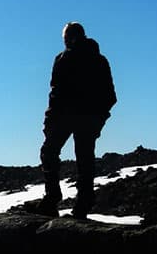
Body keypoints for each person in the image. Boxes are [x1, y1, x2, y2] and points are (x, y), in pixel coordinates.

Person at [37, 22, 116, 219]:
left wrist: (50, 120)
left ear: (70, 37)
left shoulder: (64, 59)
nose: (64, 42)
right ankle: (83, 204)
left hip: (66, 116)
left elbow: (56, 93)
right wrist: (99, 118)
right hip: (88, 118)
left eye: (65, 38)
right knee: (85, 158)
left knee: (49, 152)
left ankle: (52, 198)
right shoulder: (99, 60)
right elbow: (110, 95)